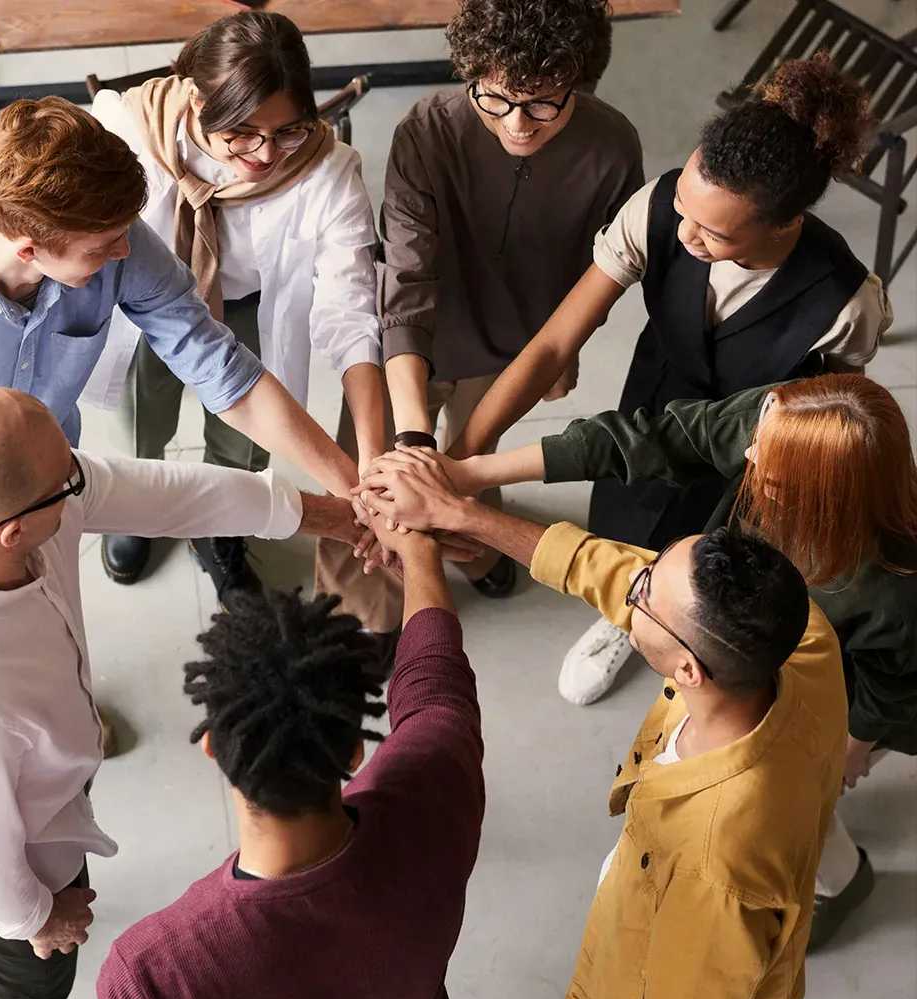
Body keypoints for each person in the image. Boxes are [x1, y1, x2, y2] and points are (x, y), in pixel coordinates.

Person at [0, 387, 366, 999]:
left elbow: (159, 493)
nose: (81, 479)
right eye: (67, 480)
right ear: (13, 532)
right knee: (26, 996)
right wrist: (37, 919)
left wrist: (327, 516)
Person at [448, 53, 891, 704]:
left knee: (714, 563)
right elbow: (552, 345)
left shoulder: (847, 301)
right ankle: (627, 616)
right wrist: (465, 455)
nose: (685, 235)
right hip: (654, 402)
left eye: (713, 232)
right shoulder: (655, 210)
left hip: (750, 454)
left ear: (785, 223)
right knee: (625, 516)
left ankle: (685, 639)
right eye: (683, 205)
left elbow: (835, 415)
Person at [355, 452, 848, 999]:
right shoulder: (800, 635)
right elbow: (608, 568)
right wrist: (460, 515)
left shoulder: (716, 868)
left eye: (644, 594)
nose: (630, 585)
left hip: (630, 996)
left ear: (688, 671)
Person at [422, 372, 917, 947]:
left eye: (770, 469)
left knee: (801, 803)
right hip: (756, 670)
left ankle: (842, 879)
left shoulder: (894, 590)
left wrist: (846, 754)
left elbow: (890, 692)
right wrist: (469, 477)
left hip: (848, 704)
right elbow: (651, 440)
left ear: (820, 497)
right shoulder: (779, 423)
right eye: (757, 435)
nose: (748, 453)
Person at [0, 94, 361, 525]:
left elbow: (222, 370)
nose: (124, 252)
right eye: (102, 248)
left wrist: (355, 490)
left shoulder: (113, 233)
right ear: (28, 251)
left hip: (50, 486)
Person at [96, 519, 484, 999]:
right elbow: (436, 687)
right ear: (354, 749)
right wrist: (419, 554)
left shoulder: (150, 982)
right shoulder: (436, 788)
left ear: (213, 748)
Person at [79, 12, 390, 616]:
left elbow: (350, 312)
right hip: (144, 304)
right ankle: (138, 508)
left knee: (245, 440)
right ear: (198, 102)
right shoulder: (129, 129)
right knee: (141, 417)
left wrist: (368, 464)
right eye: (243, 133)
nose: (266, 154)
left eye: (288, 131)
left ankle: (221, 527)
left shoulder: (328, 171)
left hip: (246, 305)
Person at [374, 0, 643, 601]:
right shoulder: (425, 132)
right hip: (410, 340)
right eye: (494, 99)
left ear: (579, 82)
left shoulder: (613, 148)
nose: (518, 124)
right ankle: (366, 603)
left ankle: (475, 551)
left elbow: (597, 275)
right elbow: (407, 279)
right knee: (379, 468)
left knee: (475, 458)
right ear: (471, 72)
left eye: (543, 103)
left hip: (515, 344)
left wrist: (562, 353)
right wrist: (414, 442)